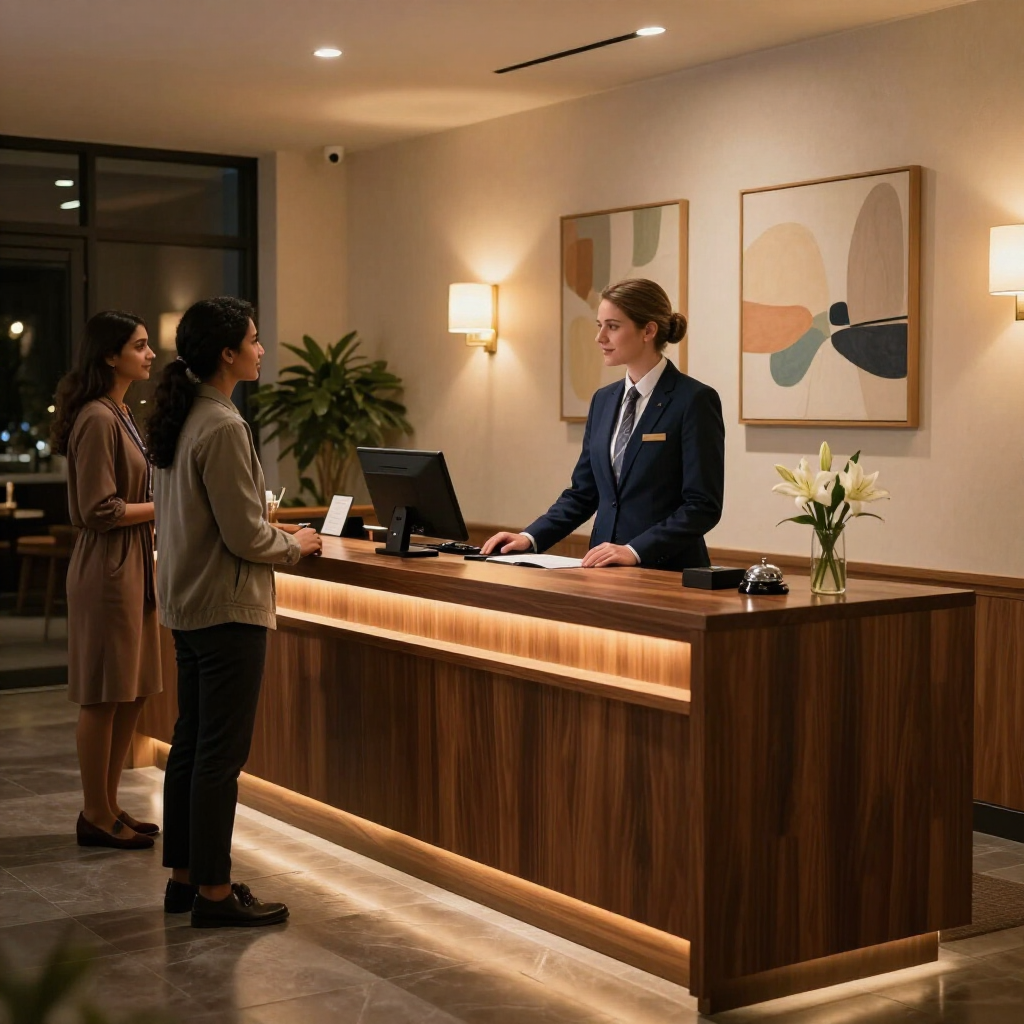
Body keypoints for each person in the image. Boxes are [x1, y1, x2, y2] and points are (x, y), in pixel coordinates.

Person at [146, 296, 321, 928]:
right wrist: (294, 545)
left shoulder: (185, 415)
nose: (262, 348)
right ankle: (215, 895)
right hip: (227, 608)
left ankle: (187, 877)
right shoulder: (222, 425)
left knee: (191, 746)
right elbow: (246, 535)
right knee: (219, 754)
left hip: (188, 605)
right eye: (253, 339)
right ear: (227, 353)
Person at [483, 278, 724, 571]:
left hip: (668, 574)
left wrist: (634, 550)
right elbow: (584, 493)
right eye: (599, 325)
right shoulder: (603, 400)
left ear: (648, 330)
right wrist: (530, 537)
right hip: (601, 571)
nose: (599, 337)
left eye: (612, 326)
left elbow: (702, 506)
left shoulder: (694, 400)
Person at [51, 310, 161, 850]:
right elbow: (100, 509)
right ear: (110, 355)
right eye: (140, 346)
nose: (150, 355)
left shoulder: (120, 411)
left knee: (131, 691)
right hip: (108, 568)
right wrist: (163, 506)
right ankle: (95, 811)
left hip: (133, 565)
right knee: (103, 694)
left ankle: (110, 803)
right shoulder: (97, 417)